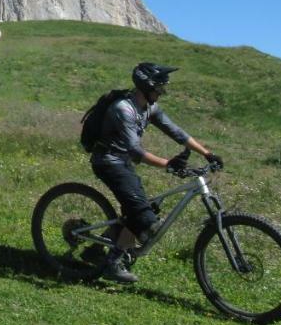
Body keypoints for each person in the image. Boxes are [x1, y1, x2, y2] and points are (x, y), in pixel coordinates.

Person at [89, 62, 222, 283]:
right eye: (159, 88)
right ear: (146, 86)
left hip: (123, 161)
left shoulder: (149, 107)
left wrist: (207, 154)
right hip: (108, 161)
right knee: (145, 218)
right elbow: (135, 150)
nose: (162, 92)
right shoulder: (124, 109)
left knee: (142, 209)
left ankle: (97, 248)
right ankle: (113, 262)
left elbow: (176, 132)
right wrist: (168, 164)